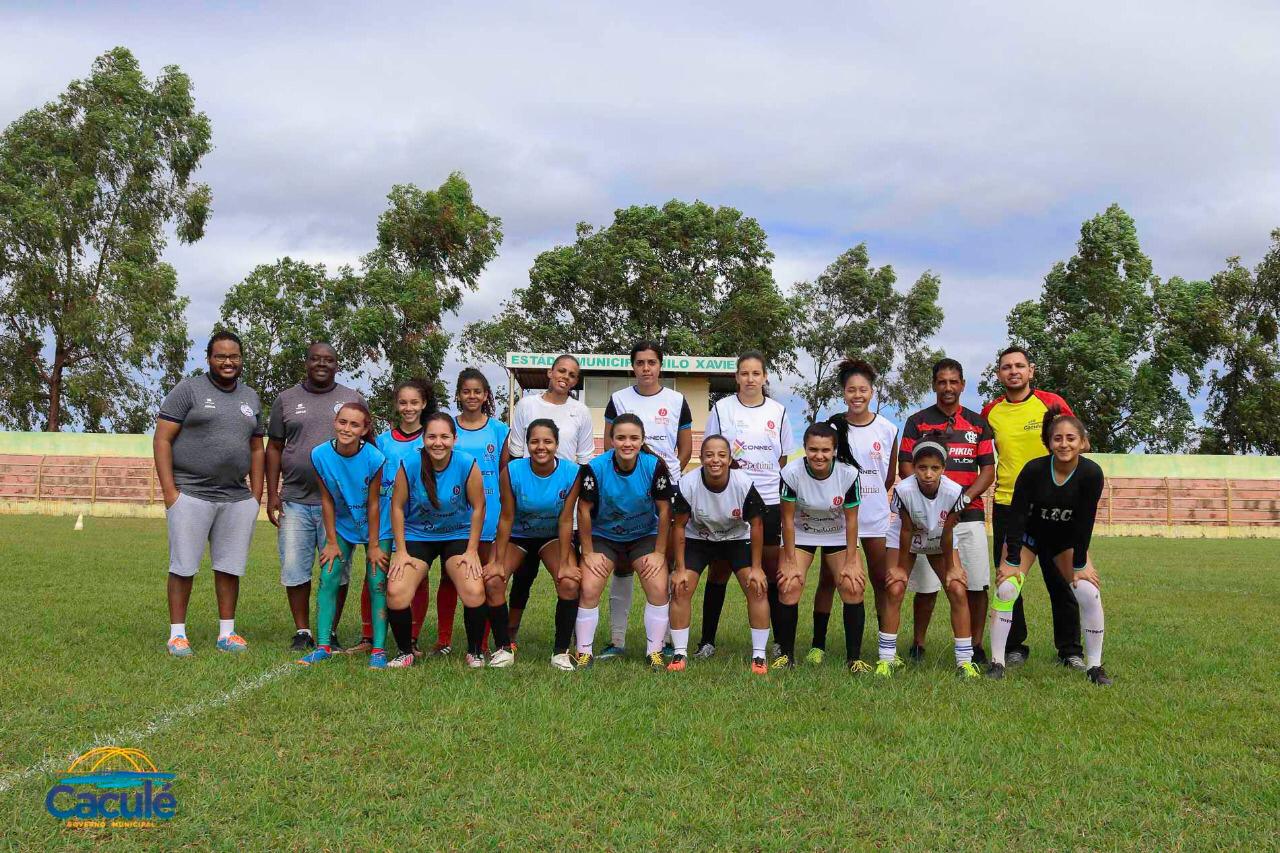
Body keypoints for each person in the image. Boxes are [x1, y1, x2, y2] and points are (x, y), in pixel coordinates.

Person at [154, 331, 264, 657]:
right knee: (184, 566)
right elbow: (162, 439)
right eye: (220, 356)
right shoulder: (188, 390)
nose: (228, 362)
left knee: (230, 567)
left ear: (242, 359)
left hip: (236, 497)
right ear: (209, 358)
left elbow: (257, 448)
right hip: (191, 492)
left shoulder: (251, 397)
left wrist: (256, 494)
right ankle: (177, 635)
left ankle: (226, 634)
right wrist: (170, 492)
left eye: (234, 356)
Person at [988, 408, 1112, 685]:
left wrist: (1080, 564)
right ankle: (997, 661)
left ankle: (1094, 666)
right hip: (1029, 538)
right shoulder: (1034, 470)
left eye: (1071, 438)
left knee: (1088, 591)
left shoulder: (1091, 473)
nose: (1064, 444)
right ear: (1048, 442)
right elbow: (1017, 516)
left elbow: (1084, 522)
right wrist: (1010, 558)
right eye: (1058, 438)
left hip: (1063, 541)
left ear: (1083, 442)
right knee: (1007, 587)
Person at [981, 346, 1084, 669]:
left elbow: (1074, 443)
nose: (1013, 371)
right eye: (1006, 367)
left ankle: (1070, 649)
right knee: (1010, 579)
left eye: (1019, 366)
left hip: (1052, 508)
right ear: (999, 374)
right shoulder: (990, 412)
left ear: (1031, 370)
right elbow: (982, 455)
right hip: (1008, 506)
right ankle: (1014, 646)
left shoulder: (1051, 403)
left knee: (1060, 579)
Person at [266, 342, 367, 652]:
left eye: (329, 360)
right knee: (295, 567)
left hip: (338, 507)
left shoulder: (352, 399)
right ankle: (304, 630)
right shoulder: (286, 399)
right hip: (295, 499)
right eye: (315, 359)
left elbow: (367, 447)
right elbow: (274, 447)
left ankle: (330, 631)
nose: (322, 364)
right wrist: (272, 495)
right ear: (306, 362)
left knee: (336, 569)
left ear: (337, 364)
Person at [700, 351, 799, 658]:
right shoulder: (722, 409)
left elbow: (781, 458)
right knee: (719, 571)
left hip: (768, 501)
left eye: (756, 373)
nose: (750, 379)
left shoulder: (779, 411)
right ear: (736, 378)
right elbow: (713, 452)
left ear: (765, 377)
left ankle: (779, 644)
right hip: (729, 500)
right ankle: (706, 642)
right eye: (744, 373)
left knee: (770, 572)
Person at [600, 340, 693, 660]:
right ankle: (617, 640)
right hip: (626, 491)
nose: (646, 369)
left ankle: (665, 640)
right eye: (640, 363)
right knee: (622, 565)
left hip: (664, 492)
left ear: (660, 366)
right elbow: (608, 444)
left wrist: (669, 475)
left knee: (662, 562)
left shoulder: (677, 400)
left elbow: (685, 447)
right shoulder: (618, 399)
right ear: (633, 366)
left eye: (651, 363)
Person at [898, 358, 994, 664]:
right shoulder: (917, 422)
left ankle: (975, 646)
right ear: (934, 385)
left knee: (976, 584)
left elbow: (988, 472)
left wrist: (961, 500)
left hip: (970, 516)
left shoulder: (978, 424)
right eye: (942, 382)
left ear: (963, 385)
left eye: (954, 382)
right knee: (926, 588)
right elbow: (905, 467)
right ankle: (918, 644)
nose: (948, 387)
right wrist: (932, 503)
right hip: (927, 521)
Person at [565, 413, 675, 670]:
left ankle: (654, 652)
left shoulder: (653, 466)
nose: (628, 443)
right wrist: (588, 553)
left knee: (659, 588)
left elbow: (665, 510)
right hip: (605, 537)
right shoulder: (596, 468)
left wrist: (659, 553)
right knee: (590, 588)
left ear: (642, 440)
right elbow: (583, 510)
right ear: (611, 440)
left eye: (634, 438)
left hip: (642, 536)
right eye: (621, 437)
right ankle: (584, 652)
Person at [385, 413, 491, 668]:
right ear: (423, 439)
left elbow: (479, 506)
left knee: (474, 591)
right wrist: (400, 551)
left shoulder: (466, 463)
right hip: (418, 534)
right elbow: (397, 507)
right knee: (396, 592)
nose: (438, 442)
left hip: (457, 534)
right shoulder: (410, 463)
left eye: (444, 436)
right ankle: (404, 651)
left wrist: (472, 550)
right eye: (432, 436)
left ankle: (475, 651)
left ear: (454, 439)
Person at [503, 354, 595, 642]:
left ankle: (566, 643)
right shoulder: (528, 405)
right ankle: (509, 637)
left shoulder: (580, 412)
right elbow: (514, 453)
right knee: (523, 577)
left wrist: (580, 504)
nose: (565, 377)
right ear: (549, 372)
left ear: (576, 381)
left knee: (569, 577)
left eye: (572, 375)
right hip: (528, 507)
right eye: (561, 371)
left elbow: (583, 462)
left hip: (564, 505)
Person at [814, 358, 899, 664]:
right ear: (844, 393)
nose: (857, 395)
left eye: (863, 389)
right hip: (838, 518)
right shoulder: (835, 425)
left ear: (872, 392)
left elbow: (888, 476)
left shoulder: (888, 428)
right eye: (851, 390)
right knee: (828, 580)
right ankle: (817, 645)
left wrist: (870, 492)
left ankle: (885, 647)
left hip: (875, 517)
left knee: (880, 581)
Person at [483, 419, 583, 669]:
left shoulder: (572, 472)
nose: (541, 447)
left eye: (547, 441)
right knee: (494, 580)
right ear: (527, 444)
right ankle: (504, 648)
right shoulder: (512, 471)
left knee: (569, 581)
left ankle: (561, 652)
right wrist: (496, 562)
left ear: (557, 444)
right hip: (518, 535)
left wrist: (565, 564)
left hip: (551, 535)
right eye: (535, 441)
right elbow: (506, 517)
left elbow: (565, 519)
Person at [668, 435, 770, 674]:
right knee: (681, 587)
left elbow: (756, 525)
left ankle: (759, 656)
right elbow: (679, 526)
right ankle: (679, 653)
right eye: (709, 455)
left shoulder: (743, 483)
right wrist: (679, 568)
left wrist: (757, 567)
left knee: (757, 587)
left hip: (736, 539)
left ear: (729, 458)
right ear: (701, 458)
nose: (715, 460)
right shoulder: (688, 483)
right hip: (699, 539)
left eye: (722, 455)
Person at [296, 402, 387, 668]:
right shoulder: (319, 454)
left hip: (376, 527)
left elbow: (373, 503)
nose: (347, 429)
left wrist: (373, 545)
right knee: (328, 574)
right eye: (343, 422)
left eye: (355, 424)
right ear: (335, 422)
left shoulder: (374, 457)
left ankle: (379, 650)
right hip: (343, 526)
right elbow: (326, 499)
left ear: (365, 429)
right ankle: (323, 644)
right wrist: (332, 541)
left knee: (376, 579)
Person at [352, 379, 435, 657]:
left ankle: (411, 639)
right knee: (374, 574)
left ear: (423, 404)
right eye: (403, 402)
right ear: (396, 405)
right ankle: (369, 636)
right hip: (385, 519)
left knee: (416, 578)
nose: (408, 408)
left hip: (418, 522)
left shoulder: (431, 438)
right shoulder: (383, 441)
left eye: (414, 402)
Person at [884, 442, 981, 678]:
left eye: (935, 468)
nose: (928, 474)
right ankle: (886, 659)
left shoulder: (954, 491)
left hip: (940, 538)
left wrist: (951, 569)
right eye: (922, 467)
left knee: (957, 589)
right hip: (906, 538)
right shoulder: (904, 490)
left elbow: (947, 531)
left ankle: (964, 661)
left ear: (943, 468)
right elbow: (906, 530)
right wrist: (899, 568)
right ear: (914, 468)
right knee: (895, 588)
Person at [776, 423, 864, 671]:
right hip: (802, 532)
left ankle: (854, 659)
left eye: (825, 450)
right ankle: (786, 656)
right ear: (804, 448)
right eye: (813, 449)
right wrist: (791, 562)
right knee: (789, 584)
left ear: (834, 450)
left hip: (836, 534)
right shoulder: (791, 473)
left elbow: (852, 520)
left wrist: (851, 561)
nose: (819, 455)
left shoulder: (848, 474)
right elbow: (787, 521)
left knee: (852, 585)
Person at [445, 368, 509, 653]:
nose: (472, 396)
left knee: (483, 577)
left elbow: (504, 472)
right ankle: (444, 639)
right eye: (466, 391)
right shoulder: (449, 427)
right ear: (459, 395)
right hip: (455, 514)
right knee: (450, 578)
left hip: (490, 512)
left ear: (486, 395)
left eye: (477, 391)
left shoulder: (499, 429)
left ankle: (481, 642)